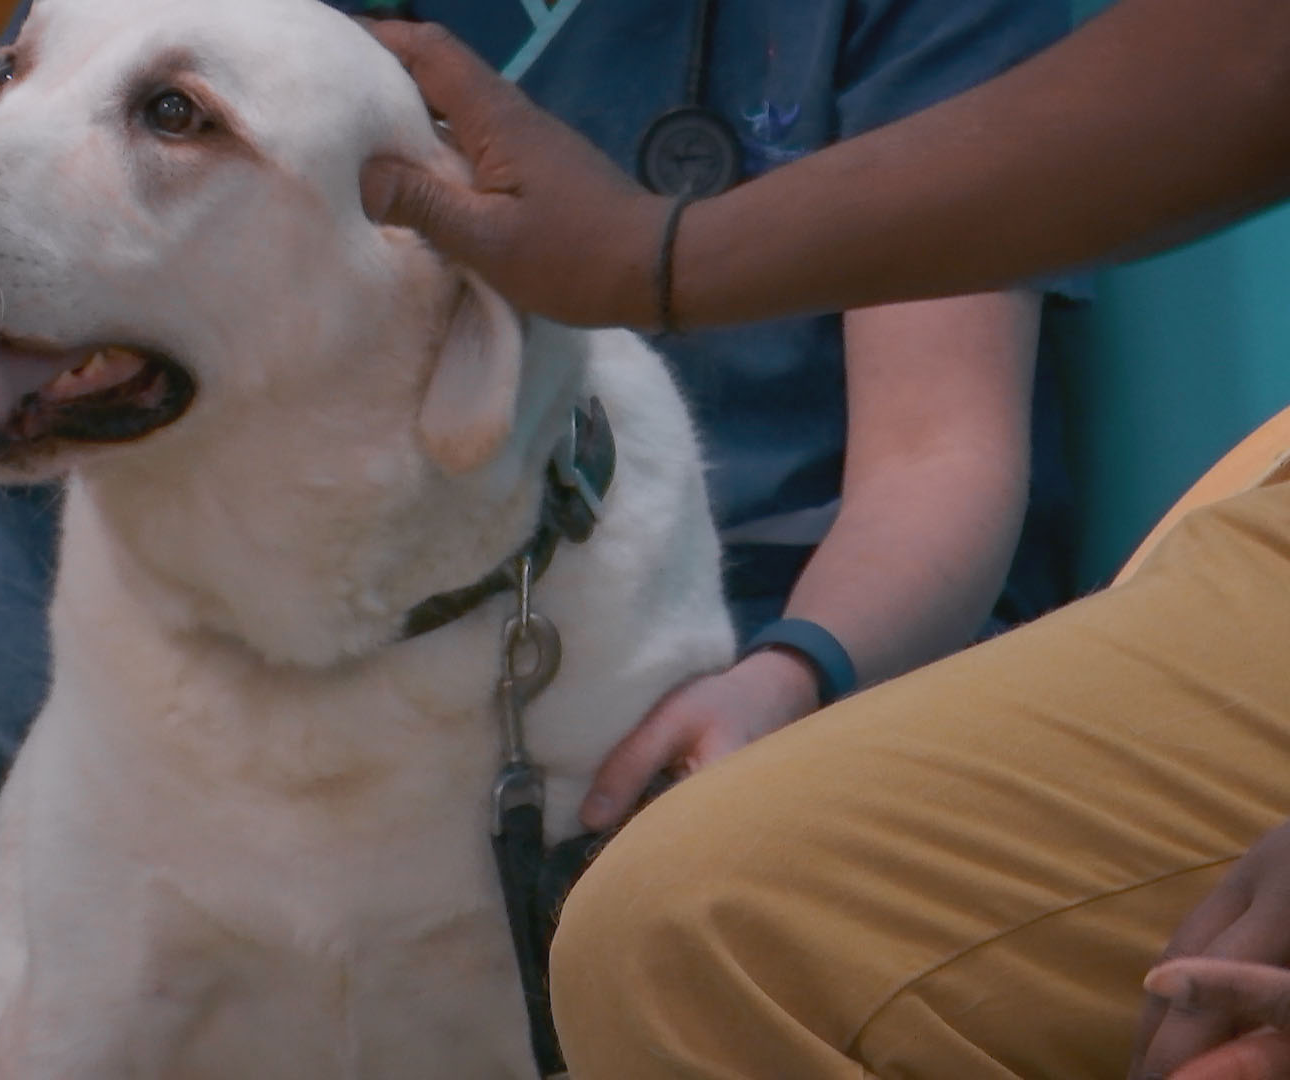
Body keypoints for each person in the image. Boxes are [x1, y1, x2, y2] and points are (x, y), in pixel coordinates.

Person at [0, 0, 1081, 993]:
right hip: (259, 600)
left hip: (716, 652)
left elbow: (940, 459)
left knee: (688, 857)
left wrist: (790, 678)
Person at [349, 2, 1290, 1077]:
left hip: (769, 661)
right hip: (350, 678)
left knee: (672, 926)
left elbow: (940, 455)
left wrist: (793, 670)